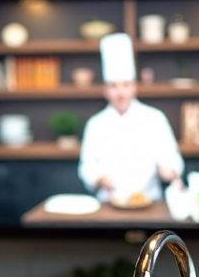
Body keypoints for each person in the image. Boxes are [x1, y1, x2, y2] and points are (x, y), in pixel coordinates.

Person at [78, 33, 184, 203]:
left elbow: (171, 159)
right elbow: (87, 166)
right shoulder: (96, 124)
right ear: (105, 90)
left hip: (150, 202)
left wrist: (169, 171)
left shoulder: (155, 118)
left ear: (135, 87)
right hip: (109, 202)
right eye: (113, 86)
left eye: (126, 85)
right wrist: (100, 179)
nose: (120, 92)